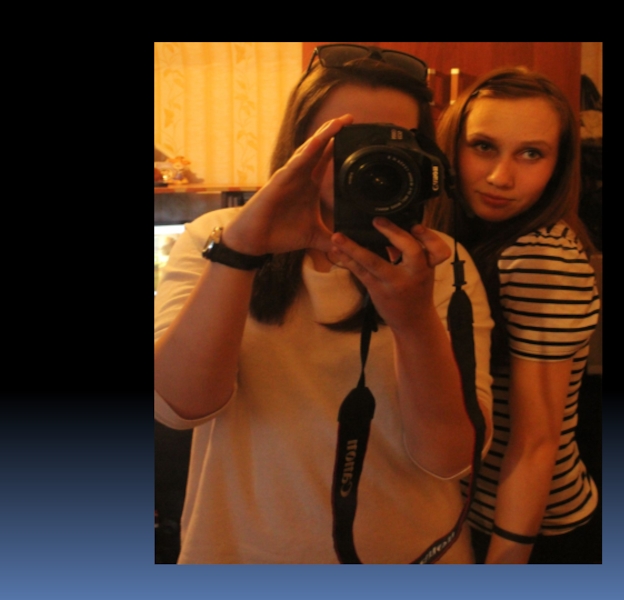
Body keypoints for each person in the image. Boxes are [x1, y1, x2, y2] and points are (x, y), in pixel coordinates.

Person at [153, 45, 494, 564]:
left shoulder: (442, 263)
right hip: (238, 555)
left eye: (392, 141)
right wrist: (241, 253)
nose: (370, 161)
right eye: (347, 140)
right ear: (300, 146)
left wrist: (414, 320)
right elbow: (177, 407)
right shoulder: (218, 238)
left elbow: (450, 459)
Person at [425, 67, 601, 564]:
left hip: (530, 527)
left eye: (531, 154)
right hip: (468, 510)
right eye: (483, 146)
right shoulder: (461, 239)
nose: (501, 177)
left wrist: (505, 562)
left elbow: (537, 441)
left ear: (558, 166)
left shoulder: (541, 258)